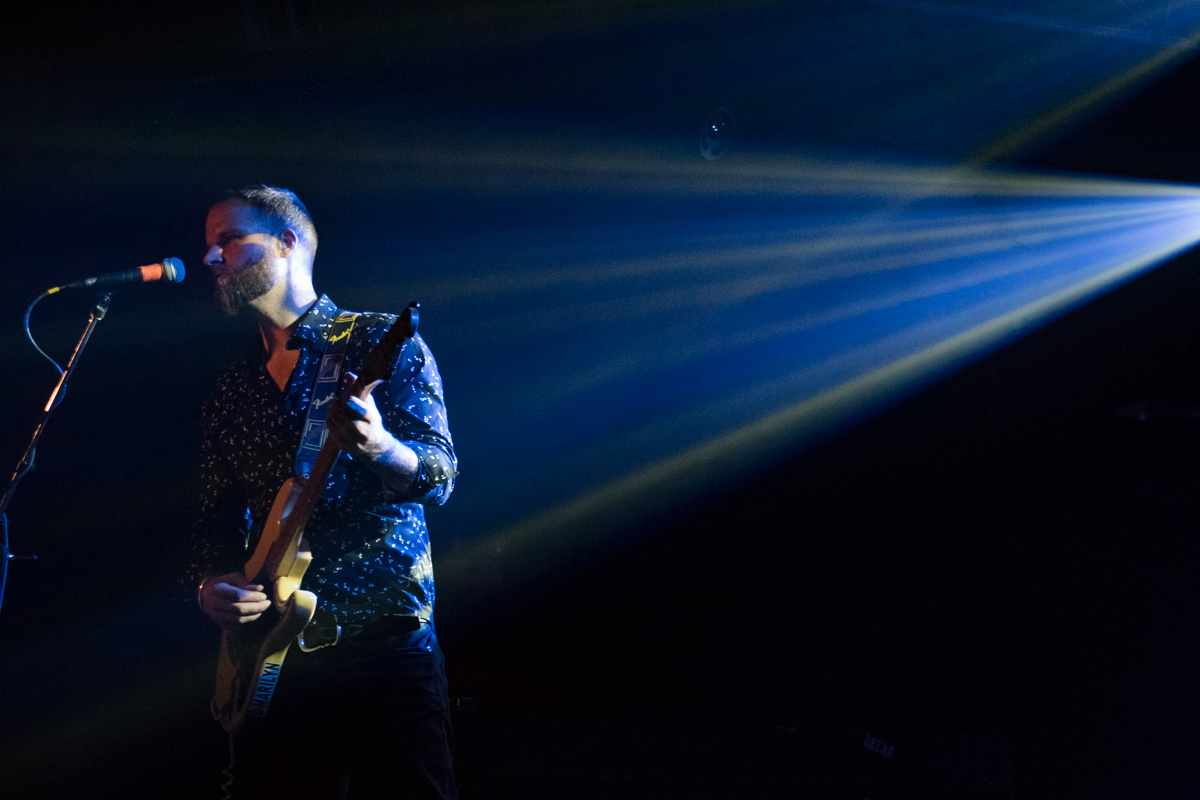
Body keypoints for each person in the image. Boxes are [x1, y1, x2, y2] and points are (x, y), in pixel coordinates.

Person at [185, 185, 459, 799]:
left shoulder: (376, 341)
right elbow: (212, 521)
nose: (211, 257)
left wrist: (382, 447)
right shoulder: (231, 390)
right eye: (209, 245)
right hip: (271, 665)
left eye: (229, 240)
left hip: (383, 646)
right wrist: (211, 587)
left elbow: (440, 475)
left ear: (286, 242)